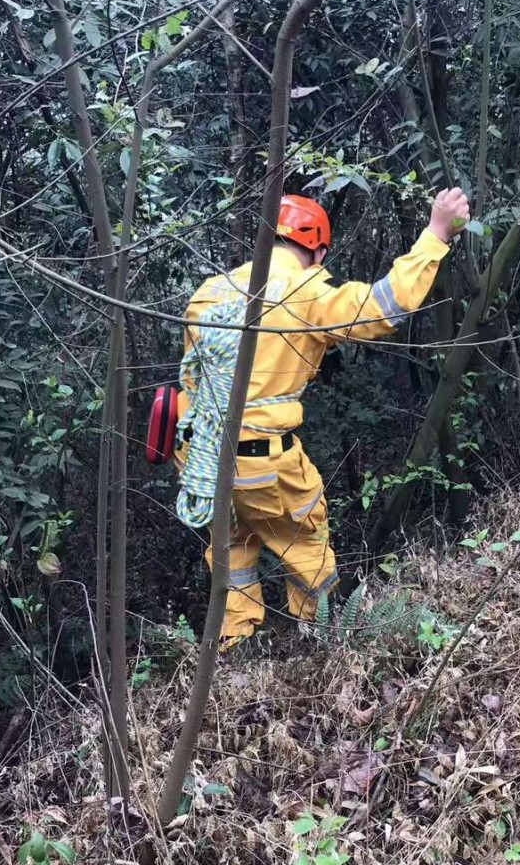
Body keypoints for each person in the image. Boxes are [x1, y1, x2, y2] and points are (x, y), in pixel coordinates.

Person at [175, 187, 470, 647]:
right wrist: (436, 234)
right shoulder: (306, 294)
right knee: (306, 545)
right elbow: (382, 308)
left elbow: (193, 383)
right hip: (264, 465)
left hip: (202, 461)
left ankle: (232, 653)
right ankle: (324, 642)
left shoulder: (210, 292)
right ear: (318, 250)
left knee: (231, 551)